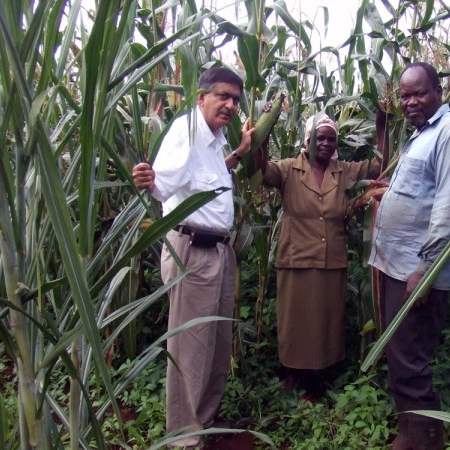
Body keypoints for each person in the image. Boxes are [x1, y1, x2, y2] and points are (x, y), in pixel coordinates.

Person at [132, 66, 254, 449]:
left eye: (236, 99)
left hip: (217, 250)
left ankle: (204, 422)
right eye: (223, 96)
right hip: (192, 252)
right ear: (201, 97)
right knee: (190, 350)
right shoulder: (186, 133)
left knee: (215, 345)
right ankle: (184, 440)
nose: (231, 105)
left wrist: (237, 153)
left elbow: (207, 178)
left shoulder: (215, 140)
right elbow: (163, 182)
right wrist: (147, 178)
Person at [368, 62, 450, 449]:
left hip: (417, 271)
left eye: (419, 93)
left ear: (439, 91)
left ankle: (426, 440)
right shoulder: (421, 135)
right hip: (398, 266)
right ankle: (409, 434)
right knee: (400, 356)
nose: (410, 102)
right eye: (405, 96)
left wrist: (425, 272)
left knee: (410, 360)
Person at [257, 113, 380, 400]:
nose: (325, 143)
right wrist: (263, 131)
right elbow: (260, 168)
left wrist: (383, 124)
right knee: (295, 321)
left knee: (325, 323)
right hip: (296, 258)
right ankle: (293, 373)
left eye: (330, 138)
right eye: (319, 138)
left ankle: (318, 379)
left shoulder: (344, 171)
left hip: (330, 261)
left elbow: (380, 165)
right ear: (307, 141)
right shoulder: (289, 169)